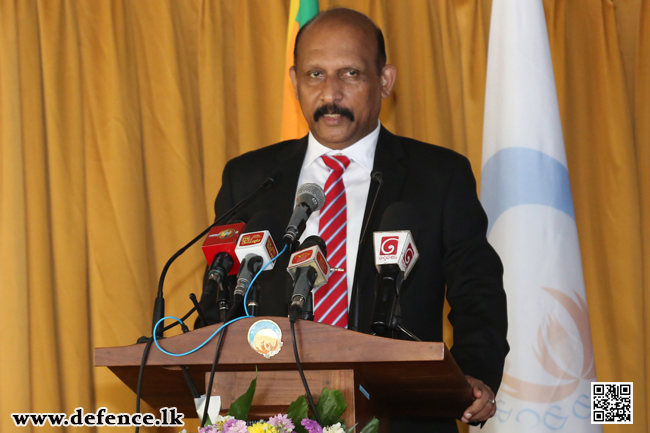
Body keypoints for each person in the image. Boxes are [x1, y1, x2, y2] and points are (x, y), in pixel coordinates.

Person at [204, 8, 508, 432]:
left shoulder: (437, 176)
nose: (330, 92)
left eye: (349, 73)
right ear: (294, 81)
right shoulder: (251, 179)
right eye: (314, 74)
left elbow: (478, 293)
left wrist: (473, 376)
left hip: (402, 418)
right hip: (270, 417)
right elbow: (220, 295)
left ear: (384, 80)